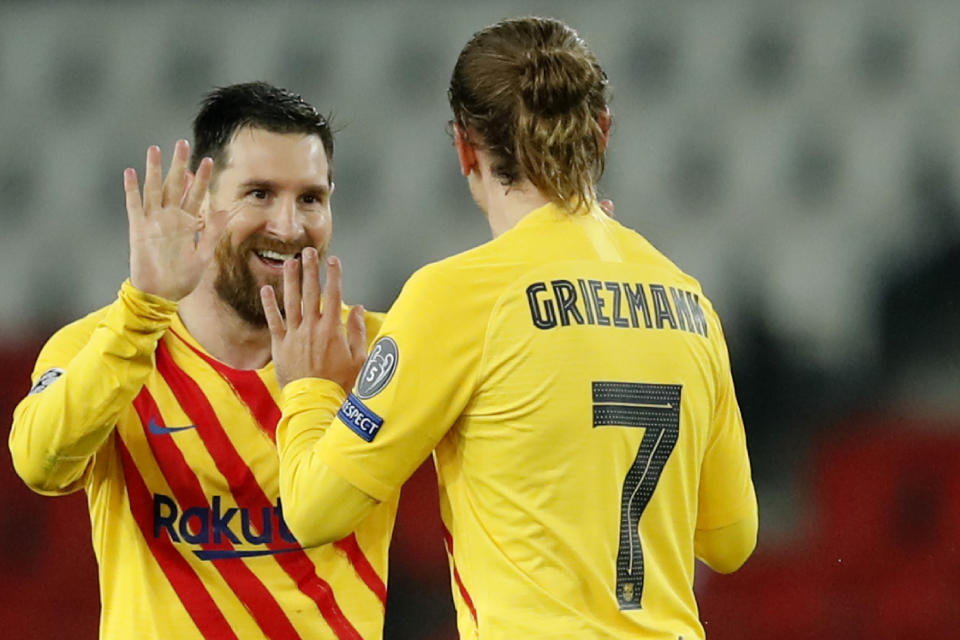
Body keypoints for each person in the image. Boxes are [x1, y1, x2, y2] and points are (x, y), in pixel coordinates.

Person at [265, 16, 757, 640]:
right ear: (601, 134)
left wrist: (308, 388)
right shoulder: (688, 301)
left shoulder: (457, 297)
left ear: (465, 147)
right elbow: (732, 541)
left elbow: (312, 510)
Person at [9, 81, 397, 640]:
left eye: (310, 198)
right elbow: (40, 466)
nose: (289, 227)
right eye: (260, 193)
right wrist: (141, 314)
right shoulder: (103, 343)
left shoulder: (375, 351)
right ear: (203, 198)